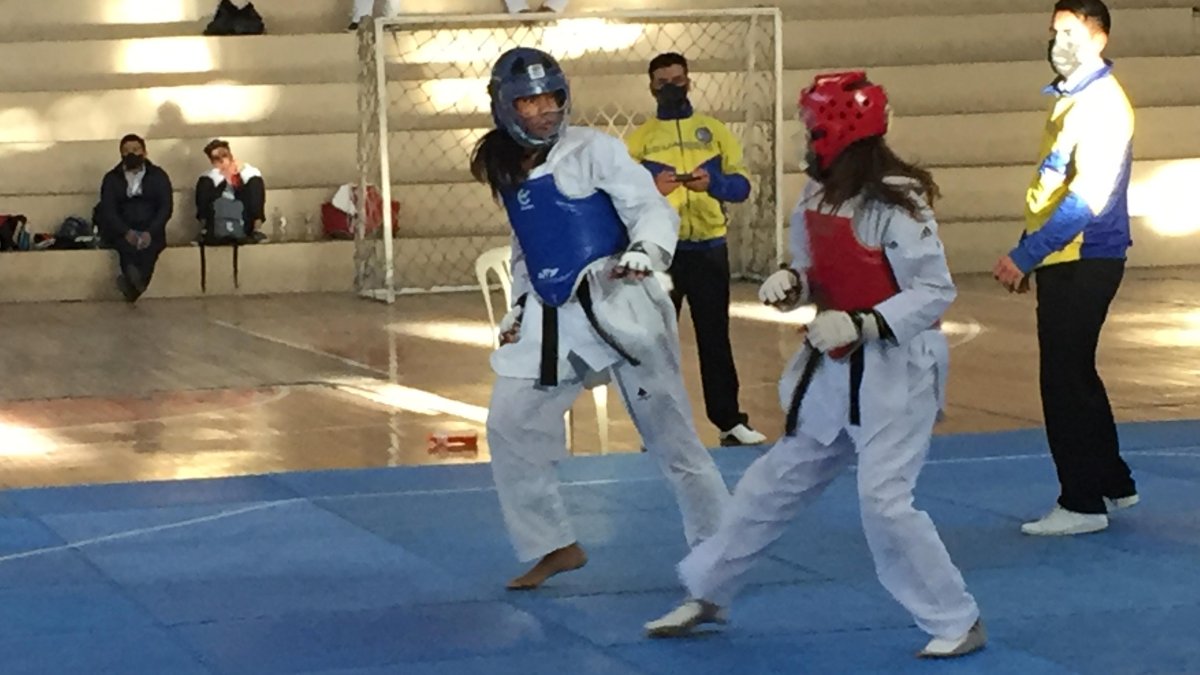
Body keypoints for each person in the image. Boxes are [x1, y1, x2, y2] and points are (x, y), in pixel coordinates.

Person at [642, 71, 986, 659]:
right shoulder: (816, 193)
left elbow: (934, 292)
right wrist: (793, 283)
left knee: (884, 501)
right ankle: (709, 591)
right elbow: (814, 268)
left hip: (898, 370)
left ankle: (957, 617)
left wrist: (864, 323)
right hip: (835, 364)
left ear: (840, 134)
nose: (806, 140)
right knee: (771, 482)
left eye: (813, 130)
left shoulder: (897, 204)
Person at [471, 47, 730, 590]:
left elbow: (650, 208)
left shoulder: (594, 150)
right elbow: (527, 247)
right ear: (505, 106)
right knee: (510, 421)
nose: (544, 110)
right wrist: (519, 306)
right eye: (529, 101)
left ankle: (722, 548)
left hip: (622, 300)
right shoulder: (505, 166)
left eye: (552, 98)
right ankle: (552, 543)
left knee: (671, 438)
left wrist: (646, 251)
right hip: (553, 315)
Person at [992, 0, 1137, 537]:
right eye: (1055, 32)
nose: (1059, 43)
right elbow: (1050, 187)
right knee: (1077, 372)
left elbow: (1085, 200)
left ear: (1099, 40)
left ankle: (1081, 501)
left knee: (1062, 379)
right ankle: (1112, 480)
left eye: (1072, 32)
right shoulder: (1070, 100)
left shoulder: (1102, 104)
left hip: (1085, 255)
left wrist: (1026, 255)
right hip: (1064, 255)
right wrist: (1030, 246)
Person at [625, 52, 766, 447]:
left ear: (690, 81)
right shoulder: (640, 140)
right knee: (656, 343)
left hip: (709, 250)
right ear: (651, 87)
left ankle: (729, 421)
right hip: (662, 254)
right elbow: (622, 197)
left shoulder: (714, 131)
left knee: (715, 338)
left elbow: (742, 187)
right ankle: (657, 428)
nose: (671, 88)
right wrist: (652, 188)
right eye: (663, 82)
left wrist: (714, 184)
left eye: (678, 80)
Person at [94, 134, 174, 303]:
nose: (131, 154)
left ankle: (133, 285)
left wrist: (150, 232)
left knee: (149, 250)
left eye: (136, 150)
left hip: (151, 228)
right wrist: (125, 231)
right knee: (126, 249)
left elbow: (165, 207)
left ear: (144, 152)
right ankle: (135, 283)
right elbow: (108, 209)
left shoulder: (158, 176)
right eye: (126, 151)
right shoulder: (111, 178)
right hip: (122, 228)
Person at [195, 139, 267, 244]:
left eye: (224, 155)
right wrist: (221, 175)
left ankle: (256, 230)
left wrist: (237, 172)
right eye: (216, 158)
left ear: (230, 155)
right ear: (212, 161)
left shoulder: (247, 172)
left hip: (243, 219)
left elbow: (254, 186)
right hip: (217, 221)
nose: (221, 160)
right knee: (204, 183)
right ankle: (205, 231)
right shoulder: (210, 177)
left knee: (255, 182)